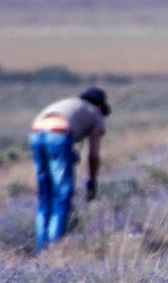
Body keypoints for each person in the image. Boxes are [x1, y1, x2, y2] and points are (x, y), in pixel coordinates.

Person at [29, 87, 109, 251]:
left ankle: (39, 248)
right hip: (59, 133)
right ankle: (53, 248)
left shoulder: (69, 104)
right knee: (62, 194)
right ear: (100, 106)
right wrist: (92, 181)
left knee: (45, 195)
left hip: (36, 132)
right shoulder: (95, 113)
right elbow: (93, 155)